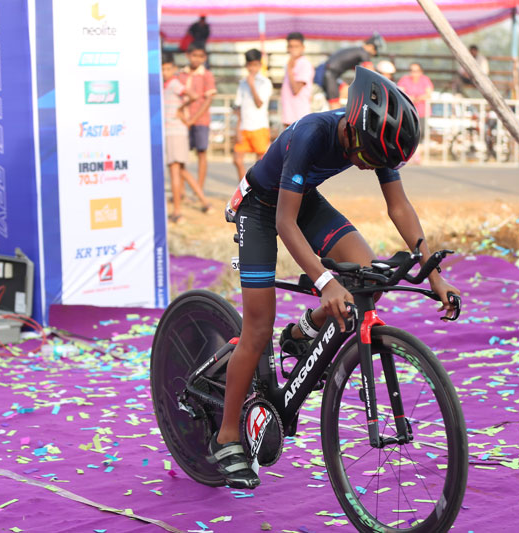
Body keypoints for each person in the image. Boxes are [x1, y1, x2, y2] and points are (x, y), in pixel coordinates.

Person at [211, 66, 460, 489]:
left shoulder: (372, 137)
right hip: (262, 208)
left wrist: (433, 274)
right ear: (352, 130)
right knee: (258, 326)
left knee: (367, 274)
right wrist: (325, 282)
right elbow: (285, 223)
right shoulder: (312, 133)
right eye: (371, 159)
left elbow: (399, 206)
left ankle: (303, 332)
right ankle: (227, 435)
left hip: (300, 198)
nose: (371, 168)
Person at [162, 52, 212, 223]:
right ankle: (205, 202)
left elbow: (194, 96)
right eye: (163, 69)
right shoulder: (168, 84)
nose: (165, 72)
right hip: (176, 130)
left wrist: (180, 109)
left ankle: (177, 212)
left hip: (174, 130)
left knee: (174, 170)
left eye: (168, 69)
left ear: (174, 69)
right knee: (181, 170)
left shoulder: (174, 84)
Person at [179, 43, 216, 192]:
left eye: (200, 56)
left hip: (201, 120)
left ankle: (199, 190)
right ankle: (181, 191)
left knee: (201, 153)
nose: (197, 59)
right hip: (182, 120)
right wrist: (184, 118)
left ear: (204, 58)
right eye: (194, 55)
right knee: (181, 156)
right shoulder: (181, 74)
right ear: (188, 55)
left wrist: (193, 119)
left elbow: (208, 99)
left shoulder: (207, 75)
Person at [233, 49, 273, 182]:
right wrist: (238, 128)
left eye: (255, 65)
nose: (252, 68)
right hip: (244, 127)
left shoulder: (265, 82)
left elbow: (259, 103)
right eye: (250, 65)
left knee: (260, 162)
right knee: (237, 159)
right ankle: (244, 187)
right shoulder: (242, 83)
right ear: (246, 65)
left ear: (259, 65)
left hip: (259, 126)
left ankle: (257, 188)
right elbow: (238, 107)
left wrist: (252, 86)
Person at [316, 34, 384, 109]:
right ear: (371, 46)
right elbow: (371, 72)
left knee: (345, 89)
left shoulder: (357, 51)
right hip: (329, 75)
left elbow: (361, 70)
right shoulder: (363, 52)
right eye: (375, 49)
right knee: (335, 103)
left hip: (329, 74)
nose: (374, 53)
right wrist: (382, 83)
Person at [397, 63, 434, 156]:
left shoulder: (425, 80)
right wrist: (410, 97)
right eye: (412, 71)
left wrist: (418, 98)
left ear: (421, 72)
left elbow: (429, 94)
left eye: (416, 71)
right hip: (408, 112)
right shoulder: (405, 79)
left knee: (420, 134)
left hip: (422, 112)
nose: (414, 73)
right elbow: (400, 91)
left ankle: (416, 154)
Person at [280, 32, 314, 128]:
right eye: (291, 46)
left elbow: (296, 90)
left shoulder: (304, 64)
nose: (293, 50)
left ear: (302, 47)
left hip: (299, 116)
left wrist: (290, 69)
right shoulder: (289, 64)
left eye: (296, 46)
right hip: (288, 116)